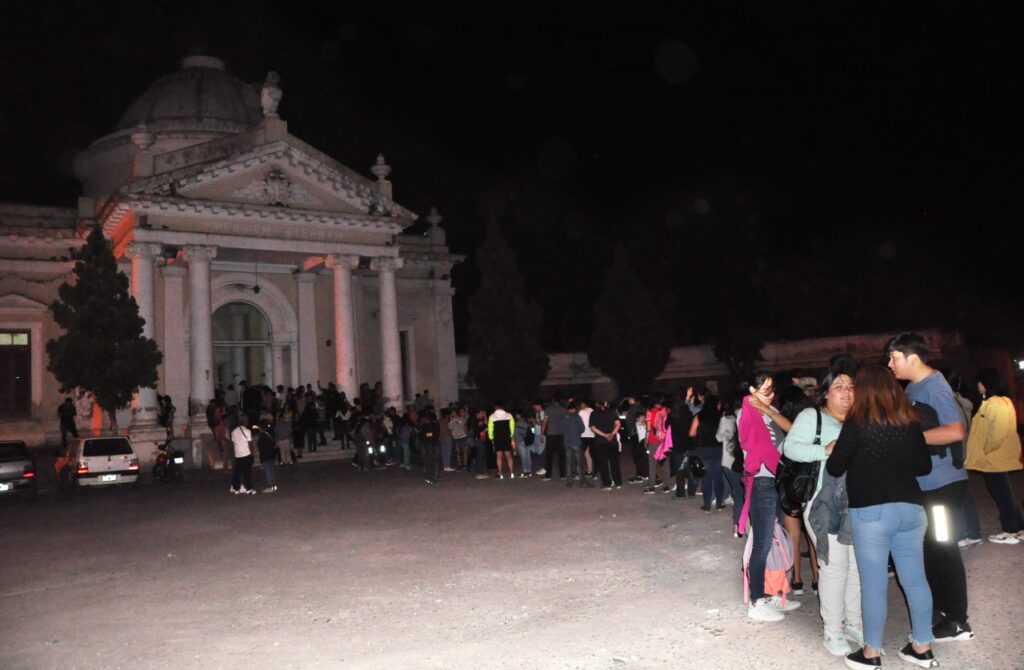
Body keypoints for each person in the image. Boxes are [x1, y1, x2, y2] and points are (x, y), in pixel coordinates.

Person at [826, 364, 937, 670]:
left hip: (872, 512)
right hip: (912, 510)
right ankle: (922, 648)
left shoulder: (857, 423)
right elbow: (923, 467)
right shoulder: (909, 422)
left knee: (874, 584)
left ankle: (872, 653)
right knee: (915, 580)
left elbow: (835, 467)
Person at [886, 332, 973, 642]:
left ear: (913, 358)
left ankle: (959, 621)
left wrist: (910, 439)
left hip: (943, 484)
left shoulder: (934, 385)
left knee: (944, 548)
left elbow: (954, 431)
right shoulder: (913, 387)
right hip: (926, 483)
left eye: (894, 358)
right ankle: (940, 613)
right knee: (931, 549)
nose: (890, 363)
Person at [785, 357, 862, 656]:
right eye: (839, 386)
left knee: (857, 567)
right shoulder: (811, 416)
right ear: (826, 392)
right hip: (822, 504)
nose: (846, 392)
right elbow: (790, 448)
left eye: (851, 387)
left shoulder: (858, 420)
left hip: (857, 504)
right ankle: (833, 630)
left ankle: (854, 622)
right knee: (833, 568)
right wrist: (823, 450)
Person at [739, 372, 800, 622]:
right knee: (762, 545)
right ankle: (756, 602)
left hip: (775, 481)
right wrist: (781, 466)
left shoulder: (770, 411)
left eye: (772, 389)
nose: (770, 393)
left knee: (775, 540)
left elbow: (788, 438)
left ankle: (772, 592)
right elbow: (755, 447)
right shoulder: (748, 411)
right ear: (752, 390)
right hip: (763, 481)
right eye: (764, 389)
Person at [965, 368, 1024, 544]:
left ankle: (1011, 530)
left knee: (1001, 494)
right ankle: (1017, 527)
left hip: (993, 459)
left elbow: (997, 432)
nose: (978, 386)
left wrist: (986, 449)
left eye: (980, 383)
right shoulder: (1002, 401)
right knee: (1004, 493)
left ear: (987, 384)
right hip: (997, 457)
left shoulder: (995, 403)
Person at [690, 394, 723, 510]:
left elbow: (691, 433)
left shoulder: (699, 416)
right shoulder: (720, 417)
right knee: (718, 475)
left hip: (703, 448)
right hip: (718, 448)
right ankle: (719, 503)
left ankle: (707, 504)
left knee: (706, 476)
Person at [589, 399, 622, 490]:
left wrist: (605, 435)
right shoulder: (612, 412)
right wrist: (611, 434)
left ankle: (607, 484)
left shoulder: (594, 413)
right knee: (614, 462)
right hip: (612, 441)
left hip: (600, 442)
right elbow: (618, 424)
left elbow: (593, 428)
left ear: (596, 404)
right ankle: (618, 483)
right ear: (606, 403)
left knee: (603, 463)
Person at [562, 402, 590, 487]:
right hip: (576, 441)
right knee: (579, 462)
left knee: (568, 462)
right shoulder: (577, 417)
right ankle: (582, 481)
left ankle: (569, 481)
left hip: (567, 441)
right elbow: (582, 428)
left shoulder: (564, 418)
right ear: (574, 409)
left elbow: (561, 429)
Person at [488, 403, 516, 479]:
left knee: (499, 456)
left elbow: (490, 429)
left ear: (496, 408)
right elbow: (512, 427)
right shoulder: (509, 415)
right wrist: (511, 437)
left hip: (497, 438)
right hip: (507, 437)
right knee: (508, 455)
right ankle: (512, 473)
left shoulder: (492, 416)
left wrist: (491, 437)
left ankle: (500, 474)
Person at [230, 421, 256, 495]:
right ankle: (249, 488)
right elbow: (250, 443)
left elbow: (233, 443)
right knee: (247, 472)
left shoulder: (233, 432)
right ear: (246, 423)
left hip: (238, 454)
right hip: (246, 454)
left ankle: (236, 488)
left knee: (237, 472)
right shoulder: (247, 431)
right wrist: (252, 453)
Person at [256, 420, 278, 493]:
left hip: (266, 456)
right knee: (272, 471)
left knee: (268, 472)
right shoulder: (269, 435)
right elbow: (273, 444)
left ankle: (270, 486)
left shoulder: (262, 436)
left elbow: (261, 447)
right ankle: (274, 485)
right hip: (271, 455)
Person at [420, 409, 441, 484]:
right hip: (434, 445)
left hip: (429, 446)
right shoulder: (435, 425)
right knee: (434, 462)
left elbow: (423, 436)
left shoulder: (425, 426)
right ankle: (434, 477)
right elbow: (436, 435)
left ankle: (430, 478)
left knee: (429, 462)